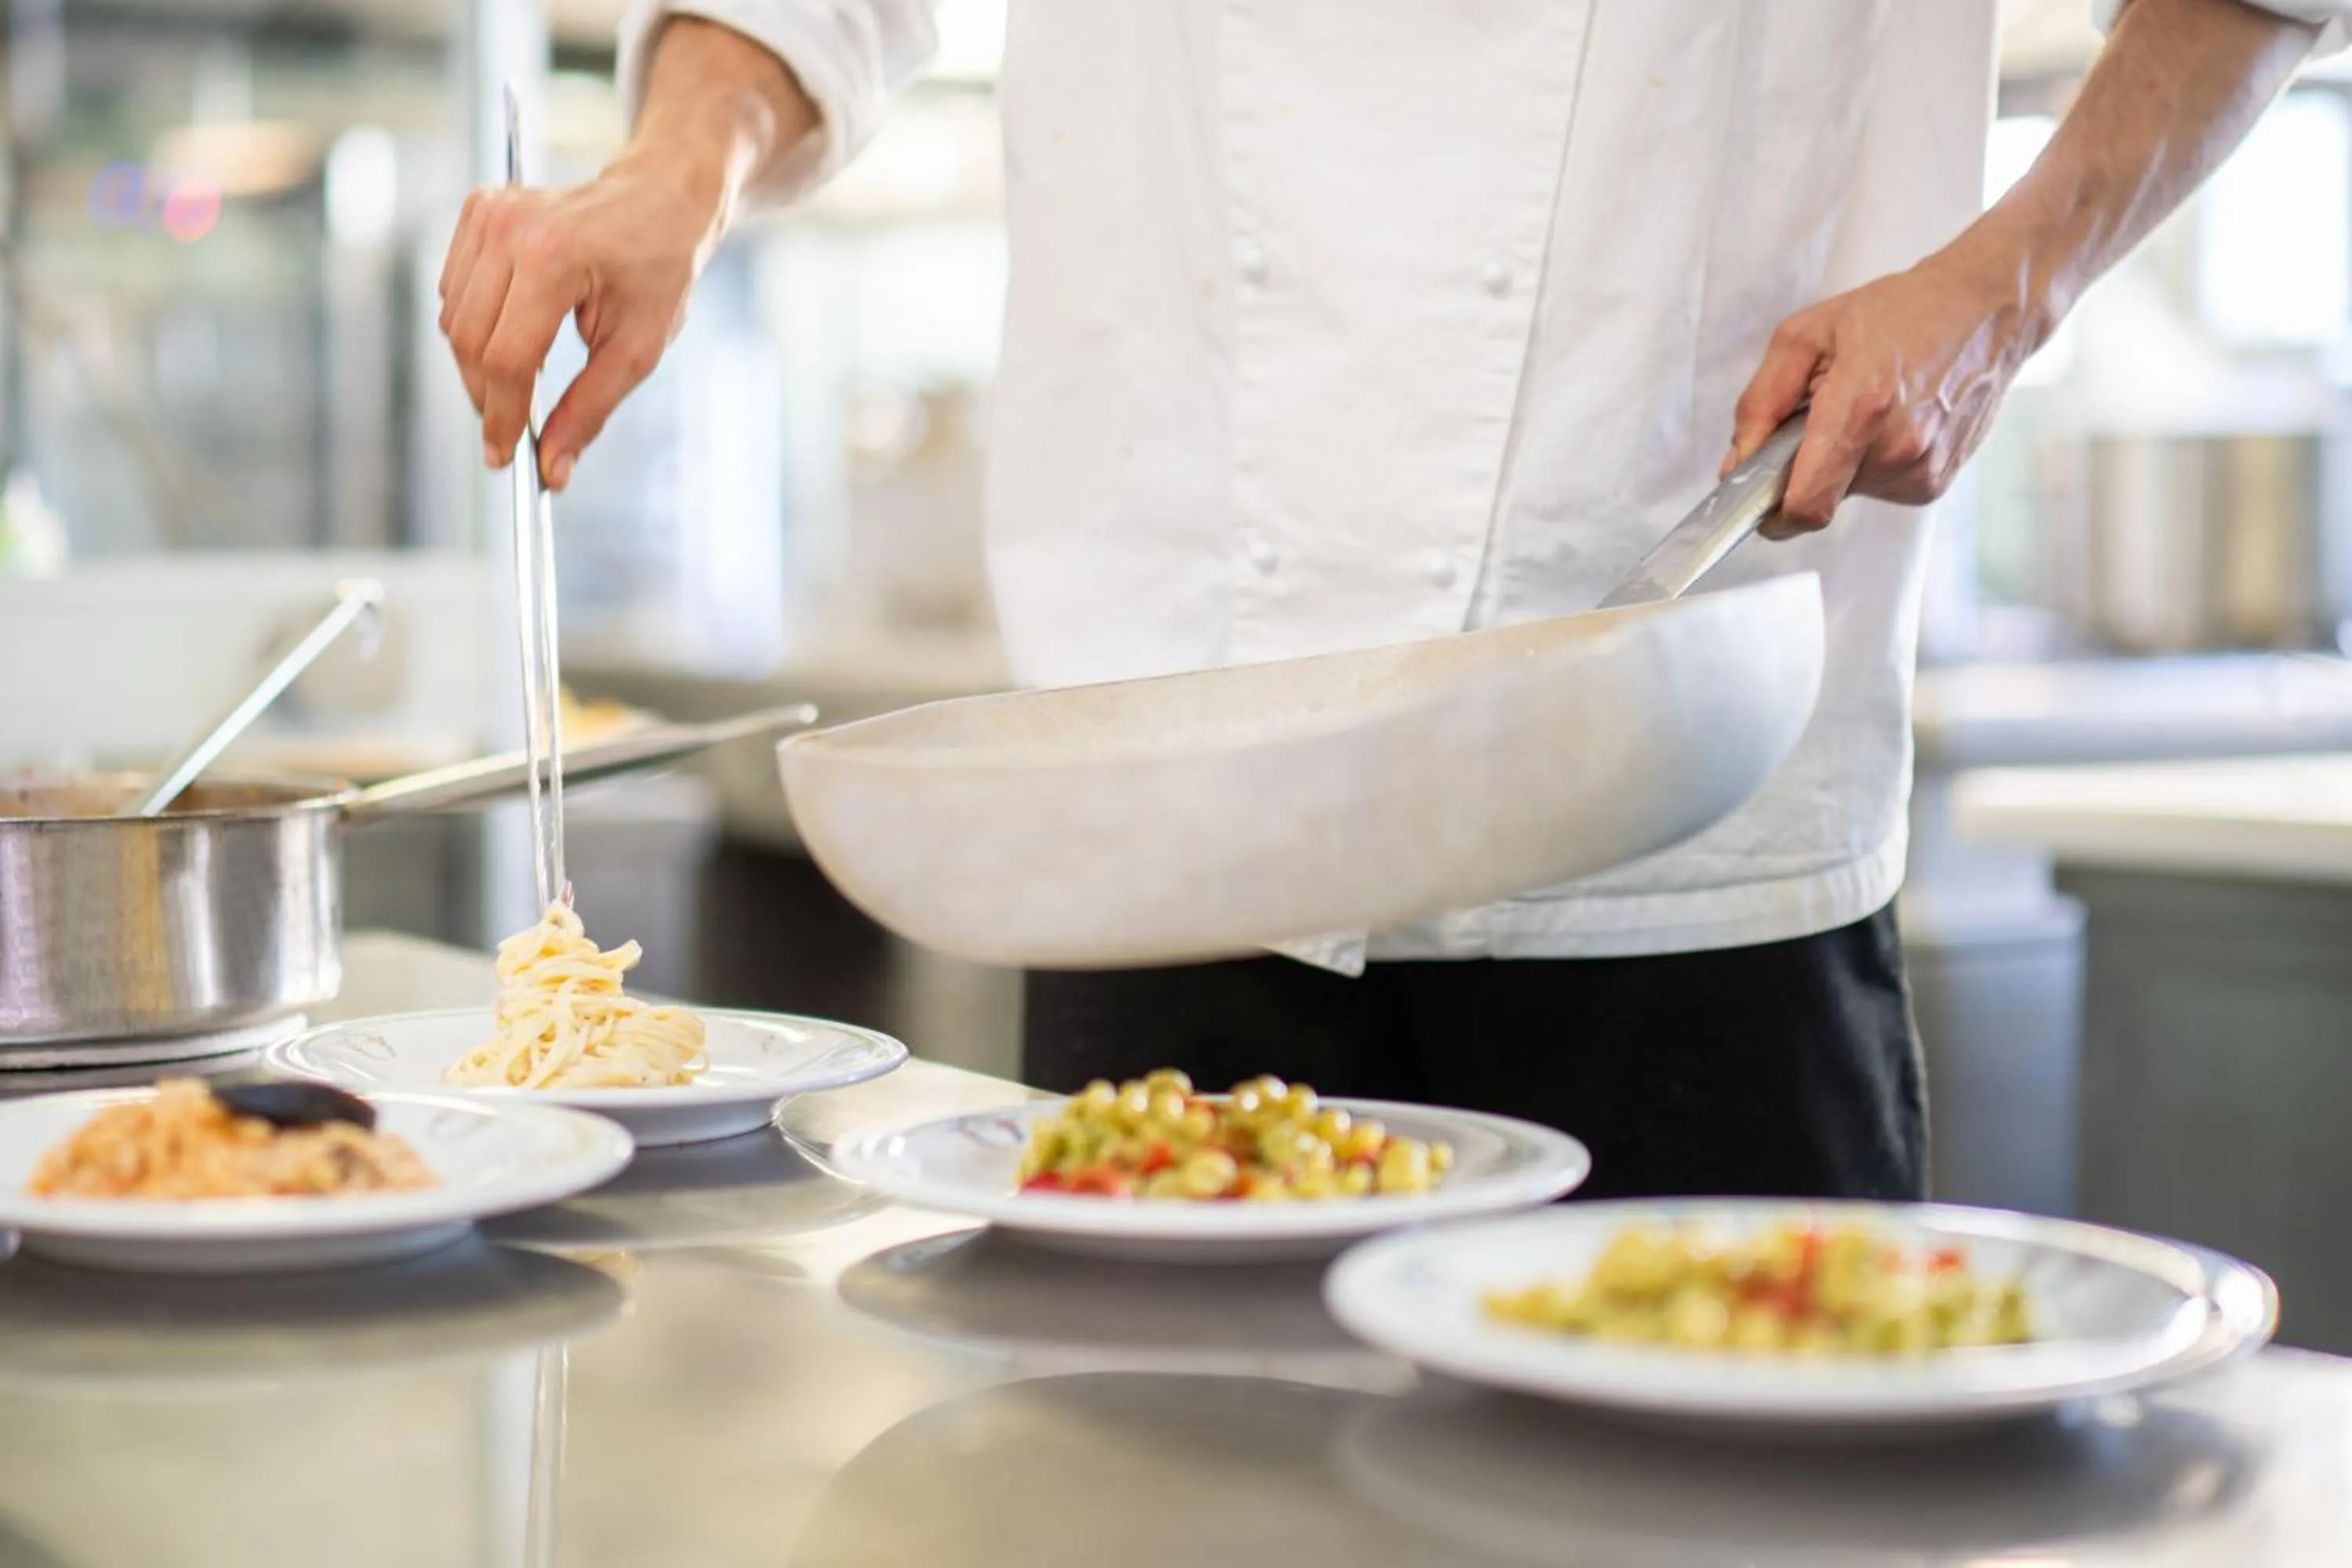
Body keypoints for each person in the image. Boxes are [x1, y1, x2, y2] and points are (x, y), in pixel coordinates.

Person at [441, 0, 2339, 1200]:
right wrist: (675, 168)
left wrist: (2003, 289)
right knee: (1148, 1506)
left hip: (1675, 833)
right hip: (1161, 811)